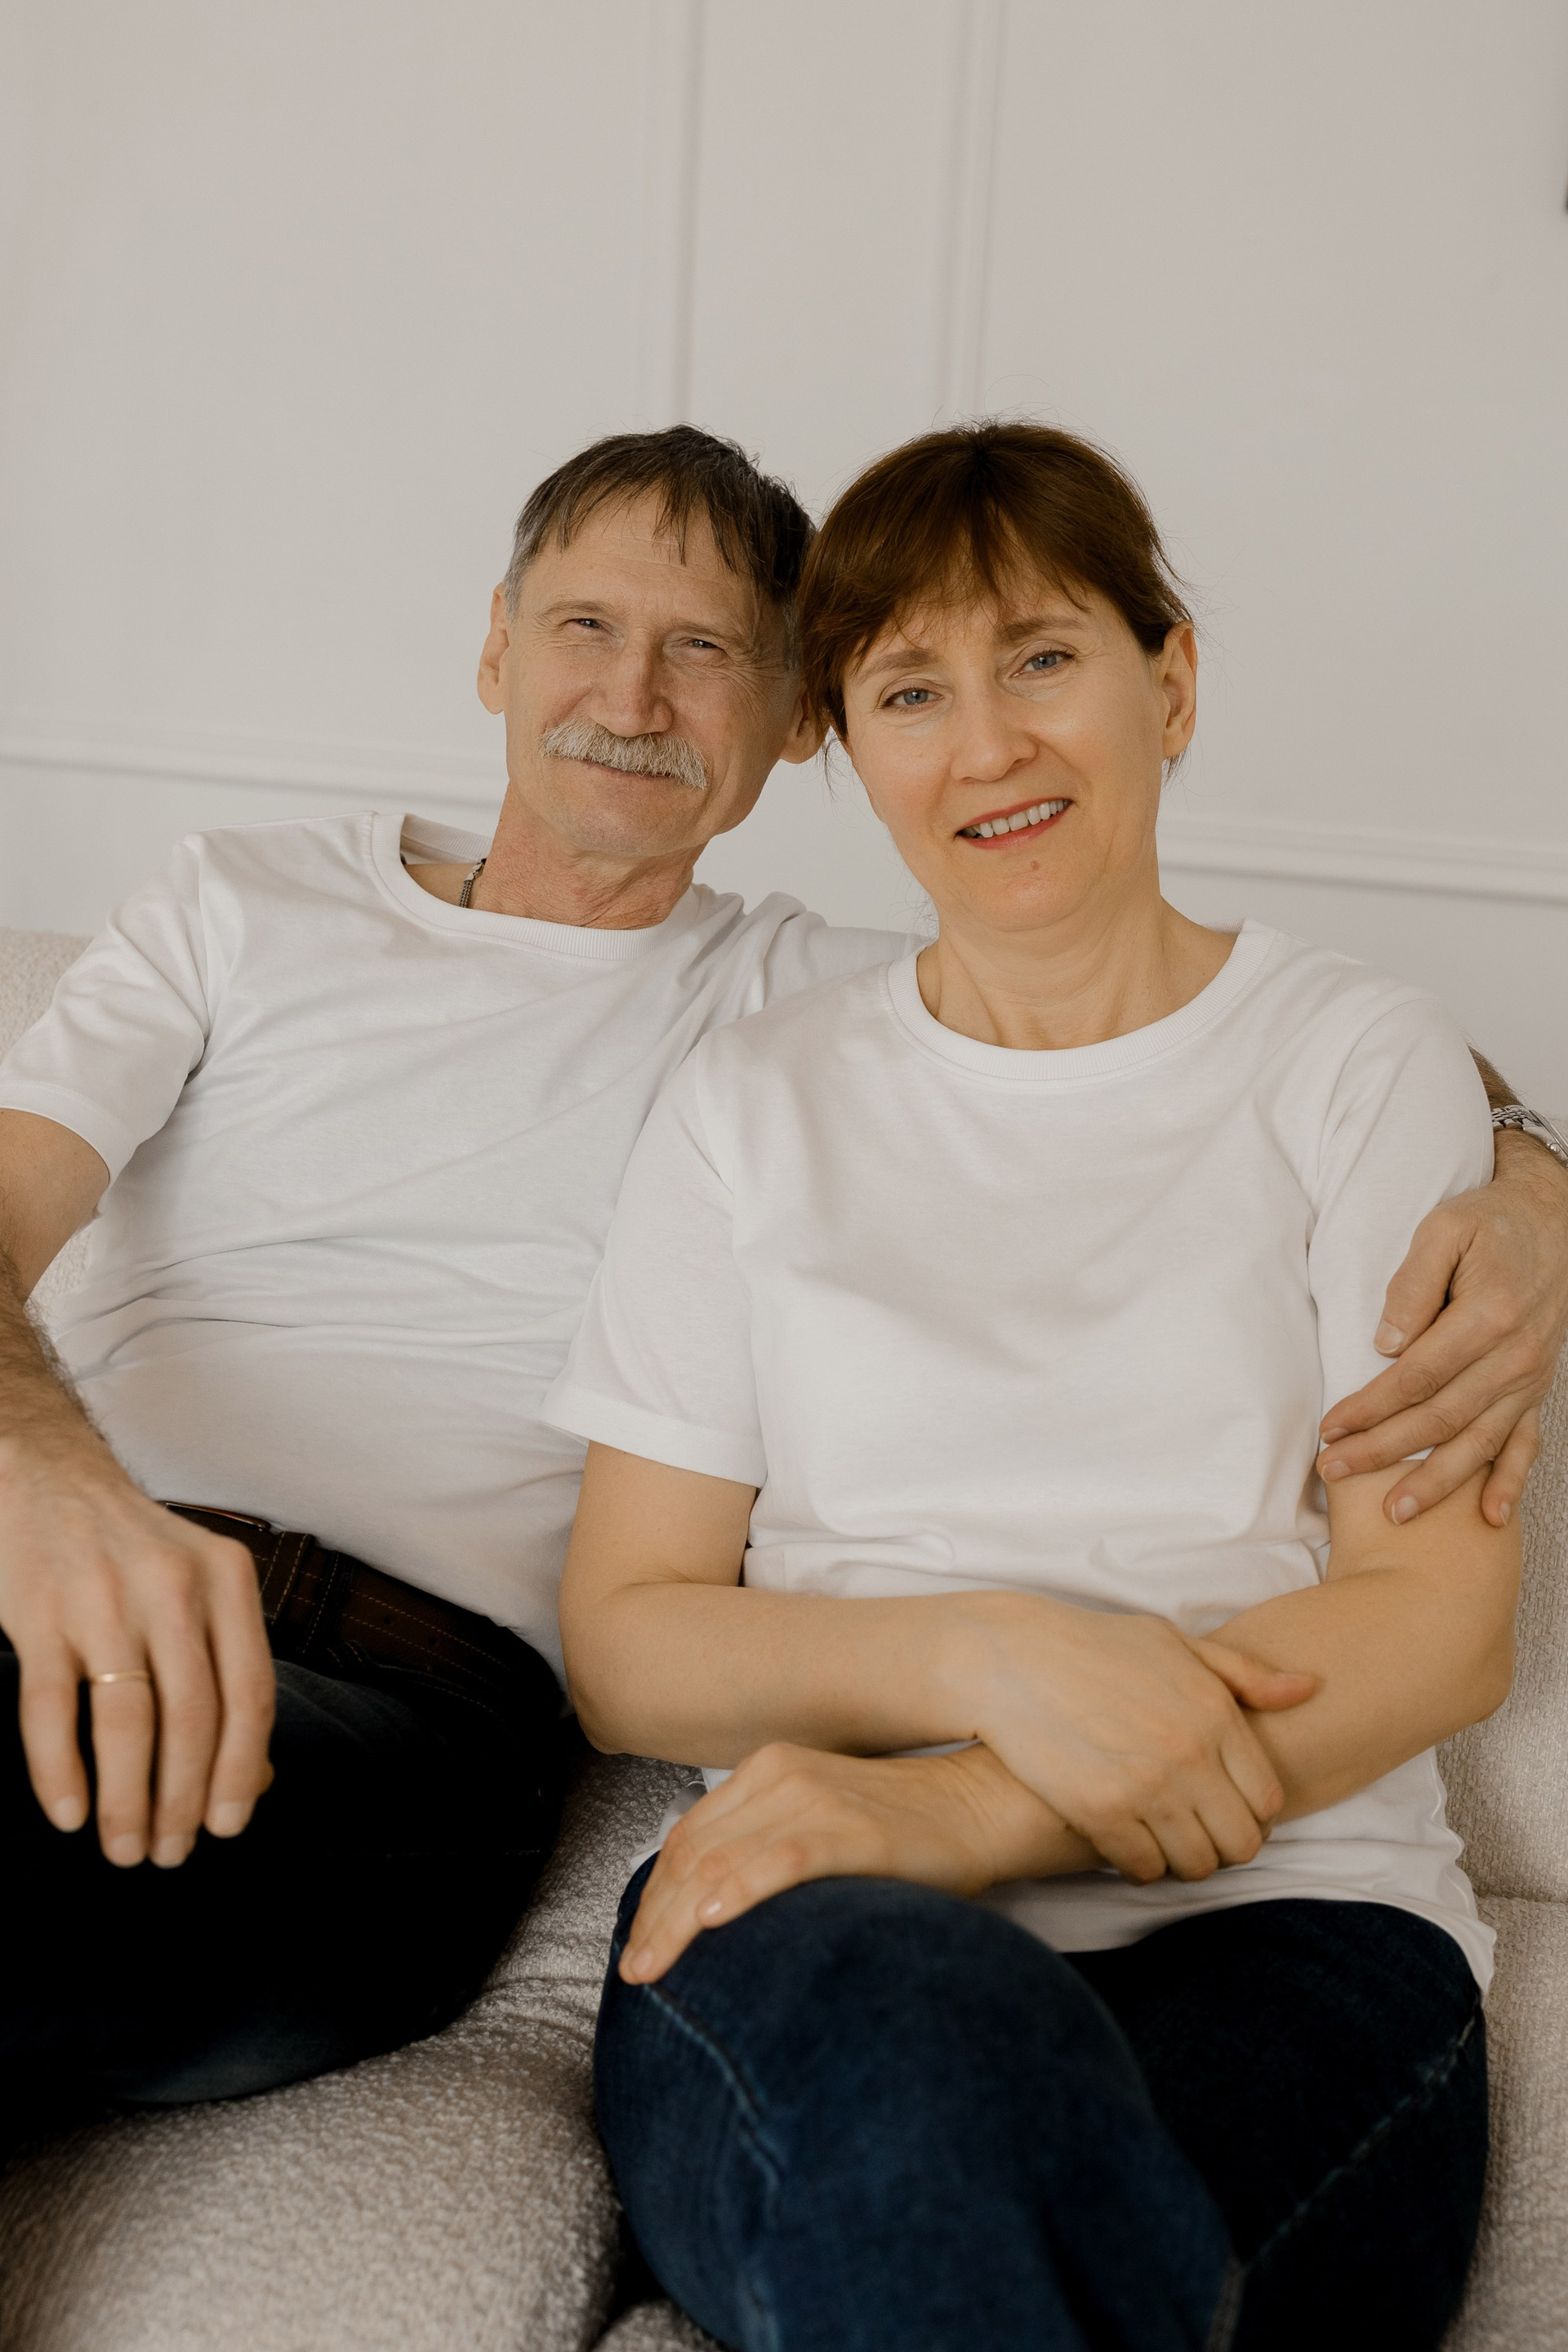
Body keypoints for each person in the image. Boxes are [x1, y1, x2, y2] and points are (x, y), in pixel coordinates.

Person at [0, 429, 1561, 2133]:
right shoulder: (236, 901)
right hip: (51, 1572)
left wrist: (1524, 1168)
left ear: (797, 726)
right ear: (496, 646)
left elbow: (1197, 1013)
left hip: (387, 1699)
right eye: (585, 626)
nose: (632, 696)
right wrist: (55, 1489)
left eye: (705, 650)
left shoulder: (795, 1015)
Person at [547, 421, 1545, 2351]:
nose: (987, 745)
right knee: (934, 2105)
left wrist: (968, 1812)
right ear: (846, 746)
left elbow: (1433, 1628)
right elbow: (629, 1638)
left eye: (1043, 658)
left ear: (1172, 683)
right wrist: (987, 1657)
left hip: (1287, 1920)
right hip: (823, 1924)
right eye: (911, 690)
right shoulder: (754, 1102)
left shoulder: (1358, 1063)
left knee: (984, 2225)